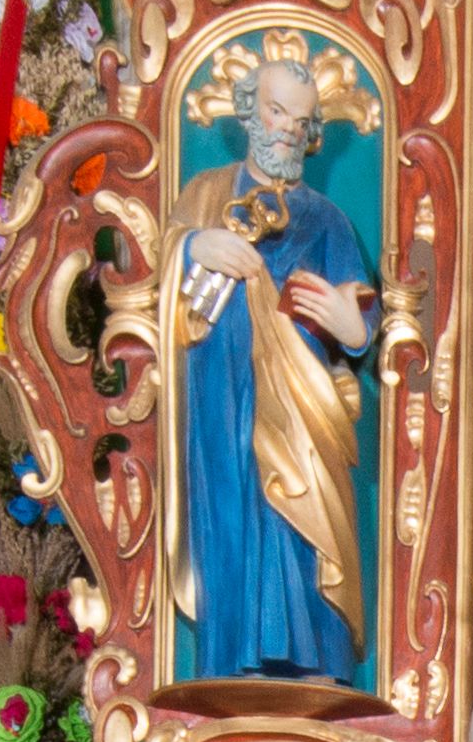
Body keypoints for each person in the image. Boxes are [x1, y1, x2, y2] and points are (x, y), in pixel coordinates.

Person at [161, 48, 376, 684]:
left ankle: (317, 666)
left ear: (312, 133)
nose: (287, 129)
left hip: (303, 404)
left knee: (300, 514)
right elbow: (159, 269)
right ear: (251, 111)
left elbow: (359, 320)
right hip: (220, 392)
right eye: (277, 111)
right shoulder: (206, 194)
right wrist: (196, 245)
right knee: (233, 516)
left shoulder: (327, 219)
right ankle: (234, 665)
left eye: (301, 121)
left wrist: (351, 328)